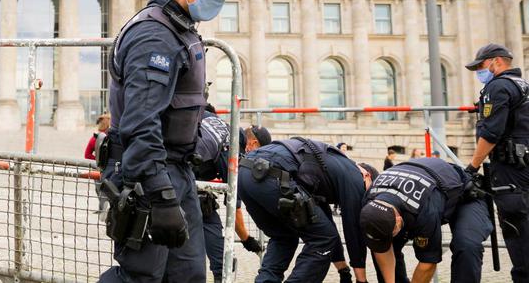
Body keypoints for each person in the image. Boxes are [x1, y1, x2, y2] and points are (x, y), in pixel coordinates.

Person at [98, 0, 248, 283]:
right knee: (142, 276)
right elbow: (140, 122)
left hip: (176, 171)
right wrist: (161, 194)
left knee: (188, 274)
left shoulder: (179, 29)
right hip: (149, 176)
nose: (219, 0)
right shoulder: (155, 35)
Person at [237, 136, 372, 283]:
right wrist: (361, 280)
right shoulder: (356, 178)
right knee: (322, 238)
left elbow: (326, 225)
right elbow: (353, 232)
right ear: (367, 175)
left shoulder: (332, 169)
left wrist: (343, 270)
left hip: (245, 172)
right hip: (271, 174)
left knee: (283, 236)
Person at [360, 157, 492, 283]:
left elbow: (427, 264)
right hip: (428, 185)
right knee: (383, 241)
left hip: (465, 193)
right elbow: (381, 249)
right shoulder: (369, 200)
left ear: (399, 221)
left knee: (467, 245)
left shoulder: (424, 210)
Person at [463, 43, 529, 282]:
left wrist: (472, 166)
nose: (480, 72)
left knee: (517, 231)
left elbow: (491, 133)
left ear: (497, 62)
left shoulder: (498, 86)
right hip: (524, 166)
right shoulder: (523, 85)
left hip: (510, 172)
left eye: (481, 66)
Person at [194, 105, 267, 283]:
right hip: (184, 172)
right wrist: (246, 239)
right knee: (207, 215)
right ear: (253, 145)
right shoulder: (233, 149)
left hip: (161, 157)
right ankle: (221, 273)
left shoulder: (216, 121)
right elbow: (233, 206)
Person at [86, 114, 111, 213]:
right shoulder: (112, 137)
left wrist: (98, 160)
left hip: (98, 168)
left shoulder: (94, 138)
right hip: (111, 167)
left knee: (99, 188)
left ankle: (102, 209)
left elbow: (87, 155)